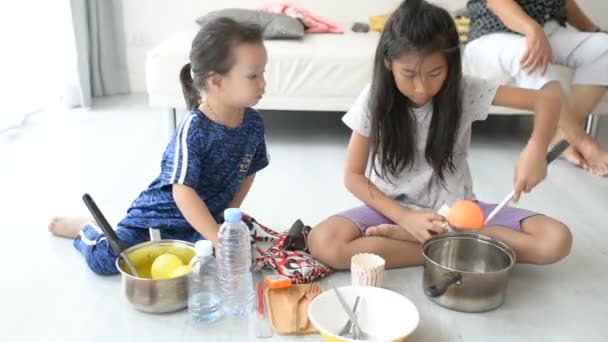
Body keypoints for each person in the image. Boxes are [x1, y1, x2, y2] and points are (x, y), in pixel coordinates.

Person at [307, 0, 572, 270]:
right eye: (408, 74)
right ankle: (455, 247)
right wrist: (406, 218)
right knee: (324, 242)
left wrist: (536, 149)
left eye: (435, 73)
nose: (421, 87)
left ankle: (441, 240)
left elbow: (548, 99)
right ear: (388, 62)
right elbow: (353, 176)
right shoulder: (375, 98)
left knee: (555, 240)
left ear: (451, 62)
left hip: (457, 212)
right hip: (390, 210)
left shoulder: (464, 91)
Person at [48, 18, 269, 275]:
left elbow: (249, 170)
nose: (263, 83)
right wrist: (217, 240)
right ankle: (90, 228)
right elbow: (182, 191)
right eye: (253, 75)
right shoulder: (194, 128)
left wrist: (225, 218)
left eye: (263, 73)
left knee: (212, 262)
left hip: (200, 220)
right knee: (110, 260)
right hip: (158, 218)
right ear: (216, 81)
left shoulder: (252, 122)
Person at [465, 0, 608, 176]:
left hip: (548, 31)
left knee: (604, 47)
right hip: (493, 33)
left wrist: (595, 32)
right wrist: (532, 29)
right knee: (530, 51)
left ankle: (562, 136)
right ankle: (583, 142)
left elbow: (566, 3)